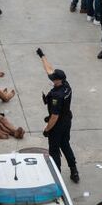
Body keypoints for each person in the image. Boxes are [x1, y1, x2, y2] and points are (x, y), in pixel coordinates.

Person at [37, 49, 79, 183]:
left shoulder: (57, 96)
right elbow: (49, 70)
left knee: (54, 150)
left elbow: (54, 116)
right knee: (65, 145)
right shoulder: (66, 85)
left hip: (58, 124)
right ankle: (74, 170)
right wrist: (42, 56)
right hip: (67, 121)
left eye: (54, 78)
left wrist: (47, 129)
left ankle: (57, 177)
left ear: (58, 80)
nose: (51, 78)